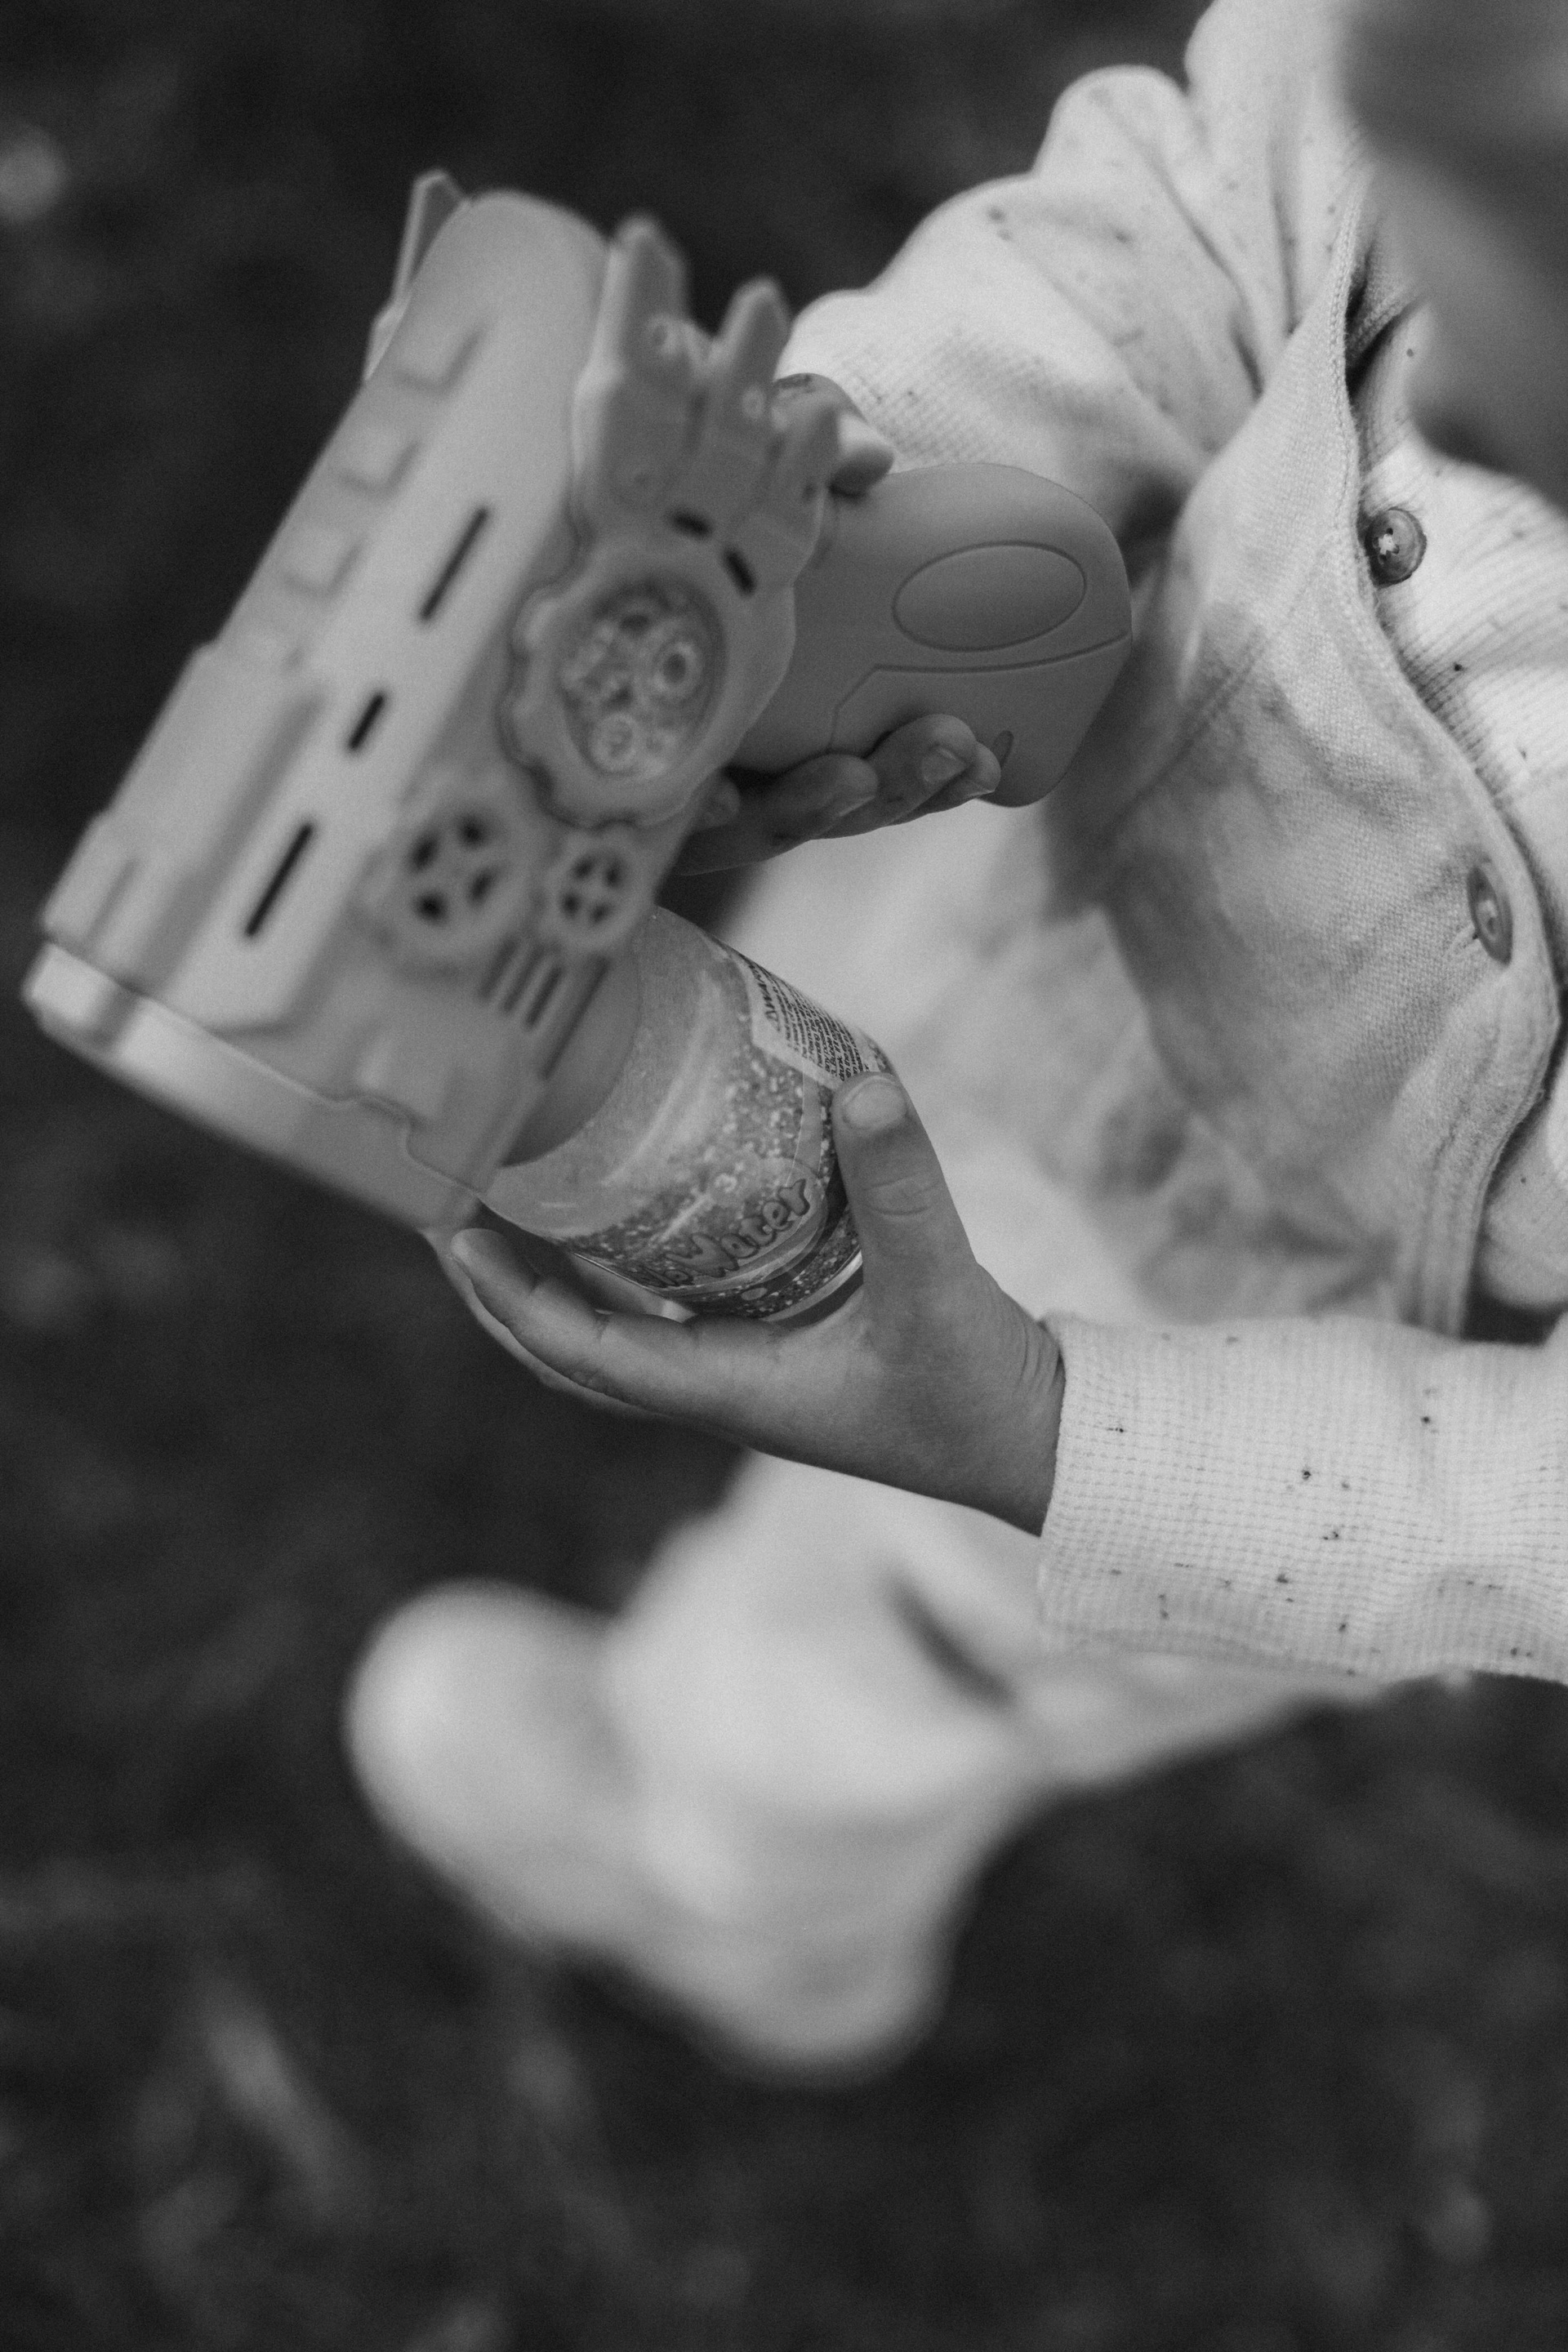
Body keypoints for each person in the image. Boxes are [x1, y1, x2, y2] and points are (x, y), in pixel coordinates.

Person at [344, 0, 1568, 2075]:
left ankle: (751, 1895)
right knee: (808, 1053)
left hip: (1230, 1331)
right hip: (1024, 883)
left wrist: (1049, 1441)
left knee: (881, 1642)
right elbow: (1199, 215)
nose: (1415, 401)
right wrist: (862, 495)